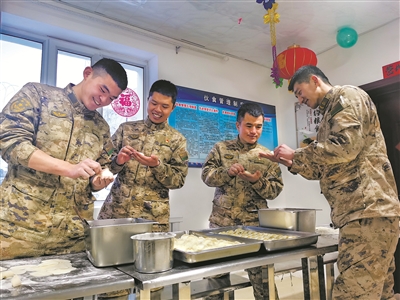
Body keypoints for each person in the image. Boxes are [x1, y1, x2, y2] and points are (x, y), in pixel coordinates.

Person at [260, 65, 400, 300]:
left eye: (299, 91)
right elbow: (322, 167)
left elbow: (346, 147)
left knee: (352, 294)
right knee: (380, 293)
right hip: (362, 213)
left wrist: (296, 154)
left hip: (367, 211)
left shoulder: (347, 96)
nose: (300, 98)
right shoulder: (328, 118)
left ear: (314, 80)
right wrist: (289, 162)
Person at [0, 58, 128, 260]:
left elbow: (98, 172)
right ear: (87, 74)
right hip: (21, 229)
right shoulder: (37, 95)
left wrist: (97, 181)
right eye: (102, 90)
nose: (104, 100)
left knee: (72, 290)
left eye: (111, 98)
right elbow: (10, 141)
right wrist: (69, 168)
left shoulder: (101, 127)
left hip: (73, 235)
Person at [201, 102, 283, 300]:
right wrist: (227, 173)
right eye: (249, 125)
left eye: (259, 126)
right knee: (216, 285)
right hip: (222, 227)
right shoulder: (220, 149)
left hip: (255, 228)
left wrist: (258, 181)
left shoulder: (267, 156)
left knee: (265, 285)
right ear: (238, 125)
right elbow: (207, 176)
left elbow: (275, 190)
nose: (254, 131)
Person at [98, 79, 189, 232]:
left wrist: (157, 166)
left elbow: (178, 181)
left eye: (164, 106)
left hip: (152, 219)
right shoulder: (125, 129)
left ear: (173, 107)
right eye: (154, 103)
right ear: (147, 100)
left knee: (149, 256)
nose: (158, 109)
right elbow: (102, 164)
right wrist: (118, 161)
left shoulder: (177, 140)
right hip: (117, 212)